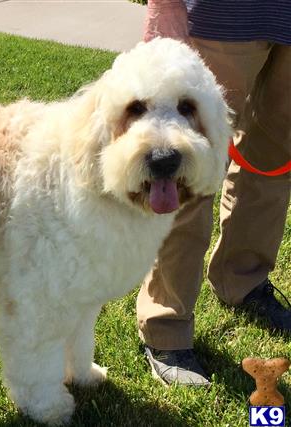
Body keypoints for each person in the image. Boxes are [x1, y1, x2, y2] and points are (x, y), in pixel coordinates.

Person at [137, 0, 291, 386]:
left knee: (272, 162)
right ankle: (165, 324)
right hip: (220, 15)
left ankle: (243, 279)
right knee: (188, 168)